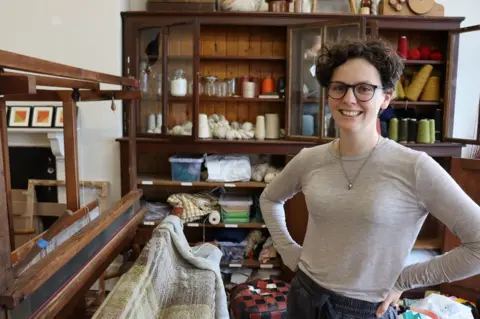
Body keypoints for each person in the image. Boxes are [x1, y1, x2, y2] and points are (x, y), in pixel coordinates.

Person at [259, 38, 480, 319]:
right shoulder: (309, 159)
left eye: (364, 89)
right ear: (329, 94)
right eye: (339, 88)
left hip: (365, 310)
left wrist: (405, 280)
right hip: (304, 297)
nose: (349, 99)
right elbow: (269, 198)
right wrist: (288, 250)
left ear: (386, 97)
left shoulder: (415, 167)